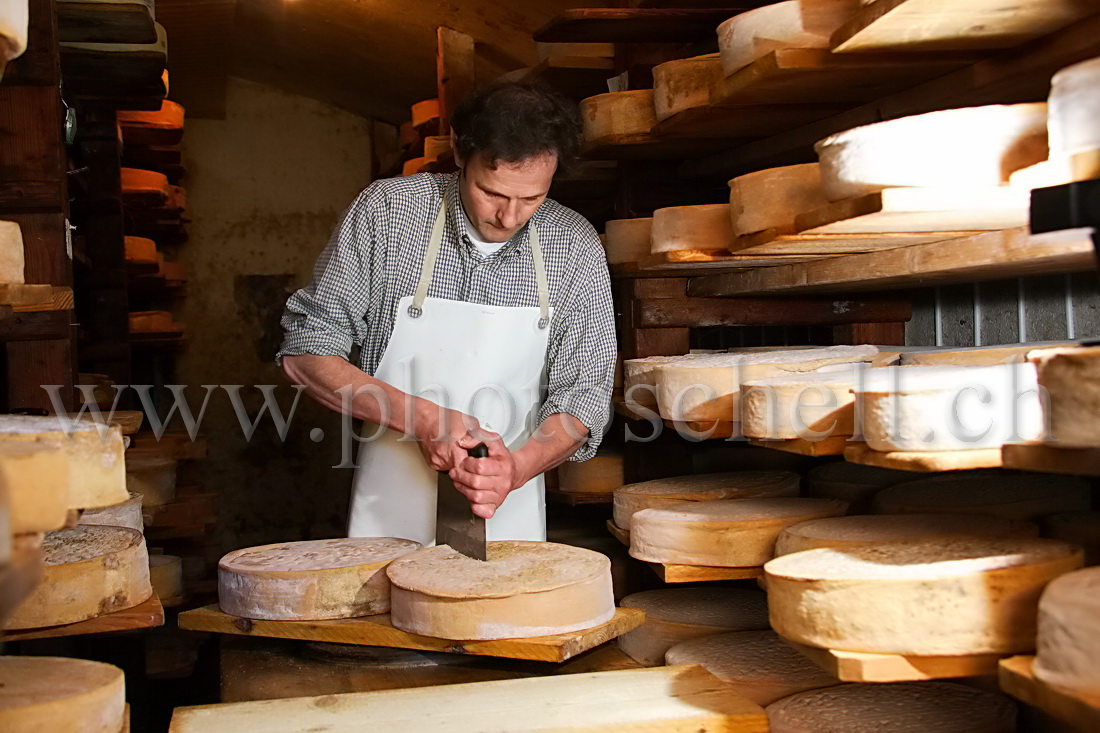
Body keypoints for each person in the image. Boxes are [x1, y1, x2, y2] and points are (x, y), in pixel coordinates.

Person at [277, 81, 617, 544]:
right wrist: (423, 420)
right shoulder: (387, 214)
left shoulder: (574, 245)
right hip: (387, 511)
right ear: (460, 151)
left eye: (532, 198)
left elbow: (585, 394)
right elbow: (306, 353)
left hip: (506, 513)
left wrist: (516, 467)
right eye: (491, 192)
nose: (510, 216)